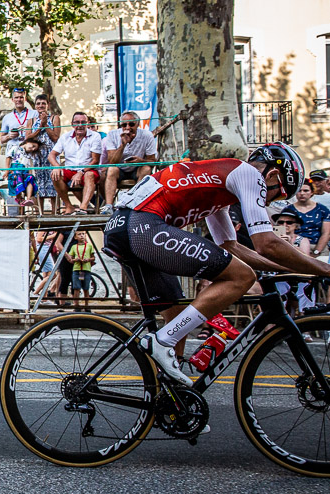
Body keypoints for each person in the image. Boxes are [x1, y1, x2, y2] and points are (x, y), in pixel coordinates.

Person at [104, 142, 330, 387]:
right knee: (242, 277)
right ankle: (162, 341)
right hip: (144, 225)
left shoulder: (219, 184)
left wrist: (288, 269)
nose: (272, 201)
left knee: (176, 313)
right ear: (273, 175)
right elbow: (266, 244)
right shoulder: (248, 174)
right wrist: (323, 268)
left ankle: (173, 403)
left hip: (123, 227)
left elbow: (230, 245)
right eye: (280, 192)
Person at [99, 112, 158, 214]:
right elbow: (113, 161)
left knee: (146, 168)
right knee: (112, 169)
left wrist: (141, 161)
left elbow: (152, 161)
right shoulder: (112, 134)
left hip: (137, 169)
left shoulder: (147, 135)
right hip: (119, 169)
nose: (127, 127)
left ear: (137, 124)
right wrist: (123, 144)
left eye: (131, 124)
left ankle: (136, 202)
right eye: (124, 125)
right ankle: (109, 206)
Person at [49, 112, 102, 214]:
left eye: (83, 122)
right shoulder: (65, 137)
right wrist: (56, 167)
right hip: (70, 170)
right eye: (77, 122)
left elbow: (95, 160)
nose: (80, 125)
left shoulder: (95, 136)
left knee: (89, 175)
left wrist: (81, 172)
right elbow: (51, 155)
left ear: (87, 123)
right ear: (72, 124)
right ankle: (69, 206)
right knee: (55, 175)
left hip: (88, 170)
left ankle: (84, 207)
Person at [271, 207, 316, 323]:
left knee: (305, 288)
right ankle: (273, 325)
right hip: (278, 276)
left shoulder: (301, 240)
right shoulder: (272, 240)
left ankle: (307, 324)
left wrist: (289, 245)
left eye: (289, 222)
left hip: (298, 275)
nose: (285, 225)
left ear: (296, 225)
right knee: (276, 289)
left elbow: (306, 258)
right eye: (281, 222)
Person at [0, 88, 38, 180]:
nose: (19, 100)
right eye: (16, 97)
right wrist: (9, 136)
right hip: (14, 155)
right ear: (12, 99)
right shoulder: (7, 117)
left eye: (21, 97)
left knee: (31, 181)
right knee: (16, 182)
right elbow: (1, 139)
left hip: (30, 153)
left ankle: (30, 195)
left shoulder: (34, 113)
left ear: (25, 99)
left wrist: (29, 131)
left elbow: (40, 133)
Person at [287, 180, 330, 257]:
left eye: (306, 190)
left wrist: (316, 252)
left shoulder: (323, 210)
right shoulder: (288, 210)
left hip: (318, 247)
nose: (302, 193)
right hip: (295, 246)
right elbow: (283, 230)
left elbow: (326, 233)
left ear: (312, 192)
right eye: (299, 191)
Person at [66, 230, 95, 311]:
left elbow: (93, 257)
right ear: (75, 237)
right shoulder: (74, 247)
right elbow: (70, 258)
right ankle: (76, 305)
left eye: (83, 234)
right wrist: (76, 259)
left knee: (86, 287)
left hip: (86, 269)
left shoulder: (89, 246)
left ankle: (86, 305)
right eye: (79, 234)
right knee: (76, 287)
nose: (82, 236)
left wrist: (88, 259)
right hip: (77, 269)